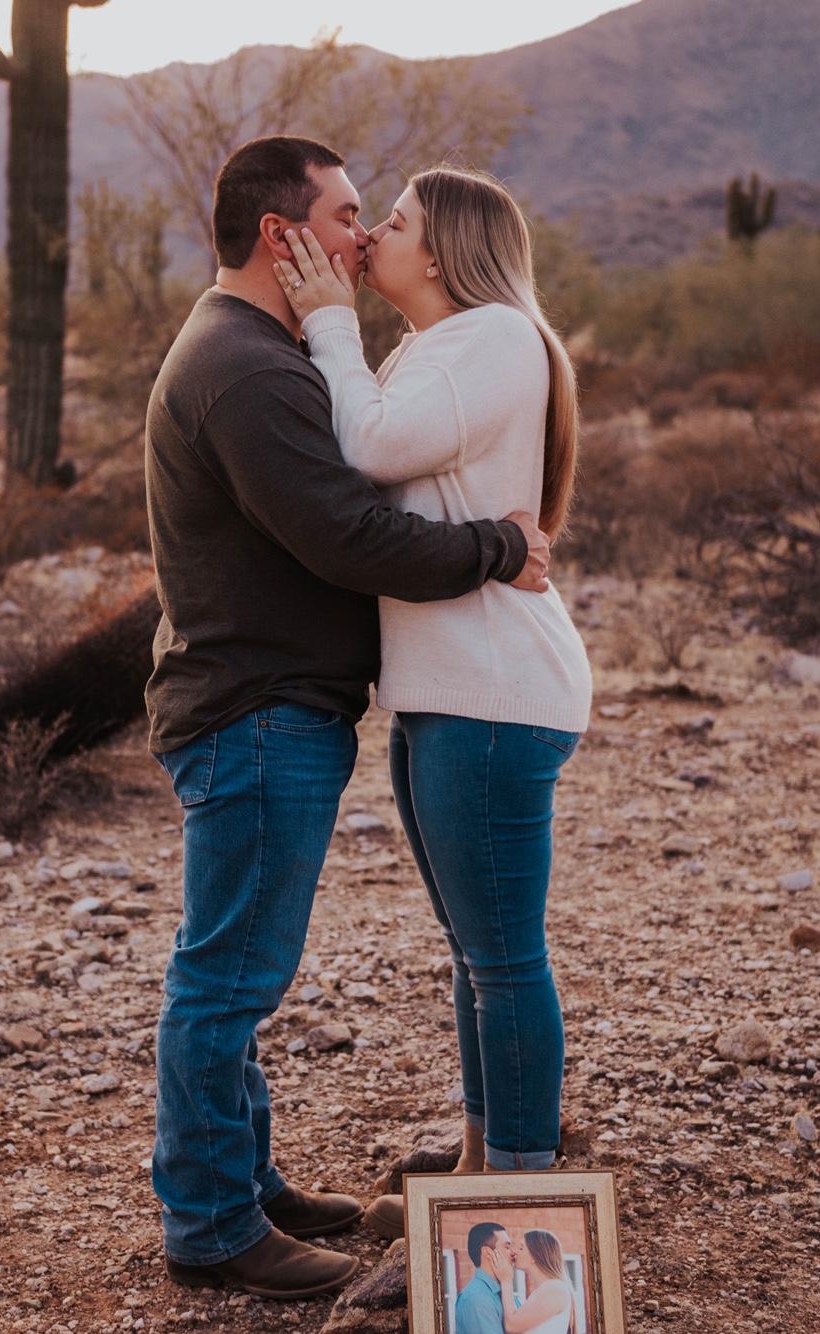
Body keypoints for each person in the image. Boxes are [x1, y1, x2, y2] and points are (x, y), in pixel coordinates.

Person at [145, 136, 554, 1301]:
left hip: (265, 702)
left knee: (236, 970)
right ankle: (213, 1227)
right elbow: (350, 535)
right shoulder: (248, 368)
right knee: (227, 976)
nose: (361, 236)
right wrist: (498, 546)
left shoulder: (253, 351)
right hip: (256, 709)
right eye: (344, 215)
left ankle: (245, 1181)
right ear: (283, 236)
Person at [274, 165, 593, 1242]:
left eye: (396, 222)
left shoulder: (493, 336)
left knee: (503, 956)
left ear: (447, 249)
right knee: (474, 948)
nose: (372, 236)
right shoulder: (432, 346)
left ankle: (521, 1201)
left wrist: (329, 321)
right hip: (445, 689)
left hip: (493, 690)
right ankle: (477, 1158)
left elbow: (368, 447)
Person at [490, 1229, 576, 1334]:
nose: (514, 1251)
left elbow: (511, 1326)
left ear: (535, 1255)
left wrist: (506, 1280)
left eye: (521, 1248)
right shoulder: (546, 1289)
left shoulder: (554, 1289)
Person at [454, 1223, 521, 1334]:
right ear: (488, 1253)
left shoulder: (506, 1291)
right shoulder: (477, 1298)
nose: (513, 1253)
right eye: (507, 1247)